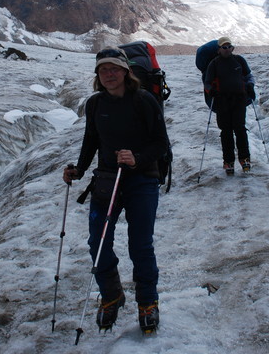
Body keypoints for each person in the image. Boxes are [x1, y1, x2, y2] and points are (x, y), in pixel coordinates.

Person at [63, 47, 169, 334]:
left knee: (140, 244)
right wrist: (80, 169)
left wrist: (137, 158)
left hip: (141, 180)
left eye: (113, 68)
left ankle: (148, 301)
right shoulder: (95, 104)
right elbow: (91, 140)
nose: (108, 74)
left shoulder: (144, 101)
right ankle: (111, 295)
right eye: (103, 70)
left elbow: (161, 144)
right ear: (98, 75)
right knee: (97, 243)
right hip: (107, 179)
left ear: (125, 71)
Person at [203, 36, 255, 175]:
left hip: (239, 99)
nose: (226, 49)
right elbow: (207, 83)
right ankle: (228, 161)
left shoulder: (239, 60)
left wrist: (250, 86)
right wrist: (211, 91)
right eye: (223, 47)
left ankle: (244, 159)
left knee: (240, 129)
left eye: (228, 47)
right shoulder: (214, 64)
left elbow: (249, 76)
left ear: (232, 48)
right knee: (226, 131)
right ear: (219, 49)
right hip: (222, 101)